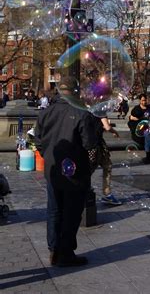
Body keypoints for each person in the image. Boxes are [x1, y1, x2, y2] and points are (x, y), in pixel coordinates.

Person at [35, 80, 100, 267]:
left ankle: (53, 249)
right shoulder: (82, 113)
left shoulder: (46, 113)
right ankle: (66, 252)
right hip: (75, 171)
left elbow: (38, 139)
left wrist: (48, 156)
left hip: (53, 169)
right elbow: (90, 144)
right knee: (72, 212)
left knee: (54, 210)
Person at [90, 117, 122, 206]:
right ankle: (107, 194)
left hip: (87, 142)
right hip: (98, 144)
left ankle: (84, 191)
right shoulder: (100, 110)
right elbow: (107, 127)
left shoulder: (86, 109)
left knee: (89, 168)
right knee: (107, 166)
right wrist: (115, 132)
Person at [128, 93, 150, 164]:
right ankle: (148, 156)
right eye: (143, 100)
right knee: (147, 135)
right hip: (138, 131)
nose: (144, 102)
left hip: (146, 128)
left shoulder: (149, 108)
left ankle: (149, 156)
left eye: (145, 100)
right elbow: (130, 119)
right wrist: (132, 118)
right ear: (140, 100)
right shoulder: (136, 109)